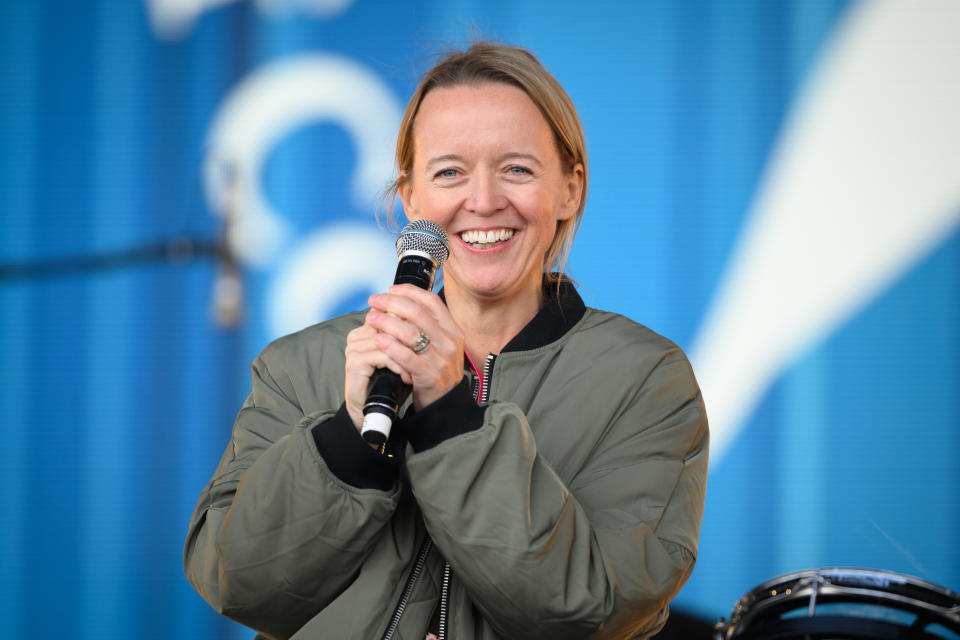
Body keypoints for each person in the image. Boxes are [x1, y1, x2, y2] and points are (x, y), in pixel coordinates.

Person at [184, 42, 708, 640]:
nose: (482, 201)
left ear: (570, 188)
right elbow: (237, 582)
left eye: (517, 168)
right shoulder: (299, 365)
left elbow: (591, 612)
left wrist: (452, 418)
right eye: (450, 172)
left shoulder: (644, 379)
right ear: (411, 198)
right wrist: (349, 435)